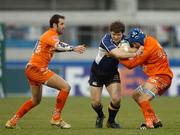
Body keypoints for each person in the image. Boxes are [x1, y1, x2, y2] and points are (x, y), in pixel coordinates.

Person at [5, 14, 86, 129]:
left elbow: (54, 48)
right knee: (65, 87)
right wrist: (73, 48)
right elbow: (58, 45)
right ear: (54, 25)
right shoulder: (51, 35)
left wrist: (70, 50)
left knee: (35, 100)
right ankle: (56, 118)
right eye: (62, 24)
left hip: (31, 68)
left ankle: (12, 121)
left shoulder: (48, 35)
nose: (64, 26)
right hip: (38, 69)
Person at [88, 21, 144, 128]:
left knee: (117, 99)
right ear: (110, 33)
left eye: (118, 34)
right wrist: (135, 53)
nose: (116, 37)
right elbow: (118, 53)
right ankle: (100, 115)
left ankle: (111, 122)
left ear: (122, 34)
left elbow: (136, 47)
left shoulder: (126, 40)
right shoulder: (106, 39)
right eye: (114, 34)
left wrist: (136, 49)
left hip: (112, 73)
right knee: (95, 103)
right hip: (97, 73)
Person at [119, 28, 173, 129]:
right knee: (135, 95)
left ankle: (149, 123)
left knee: (143, 97)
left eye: (134, 43)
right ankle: (156, 120)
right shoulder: (147, 39)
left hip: (162, 77)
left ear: (138, 41)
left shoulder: (148, 50)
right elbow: (135, 48)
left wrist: (117, 56)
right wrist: (127, 45)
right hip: (158, 75)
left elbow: (130, 65)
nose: (133, 45)